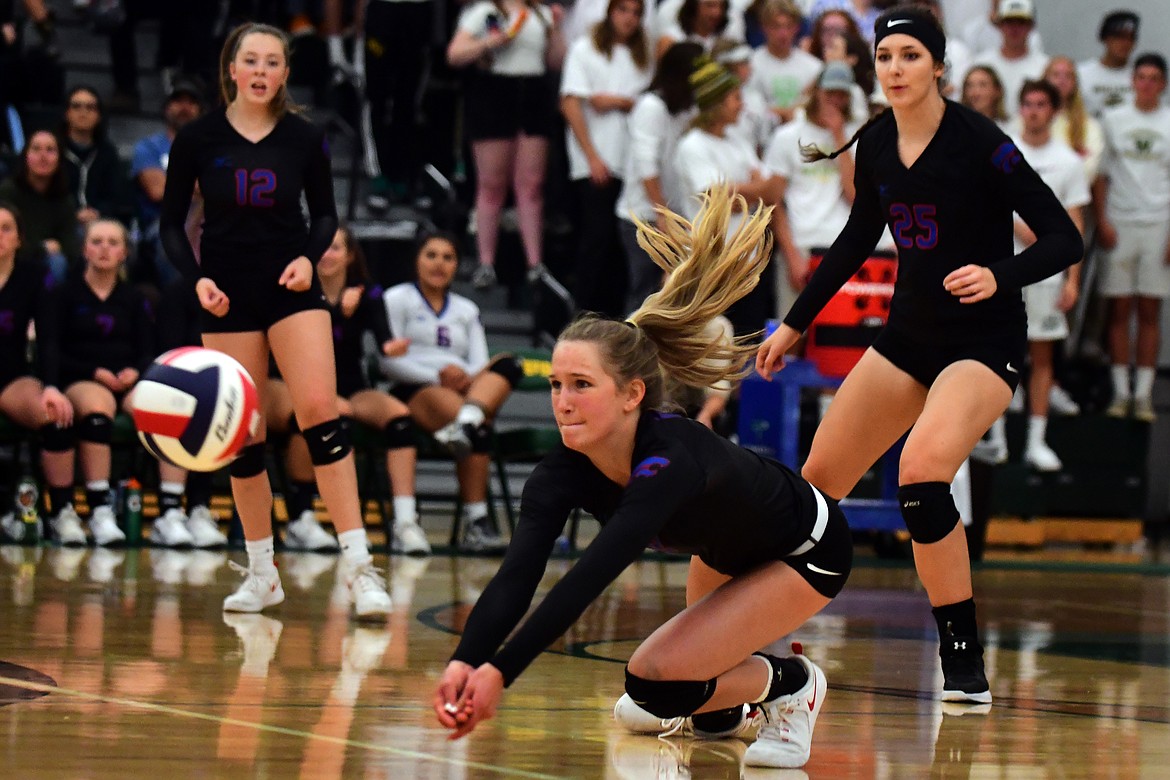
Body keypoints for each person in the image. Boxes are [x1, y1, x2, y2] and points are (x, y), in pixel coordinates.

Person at [434, 187, 849, 772]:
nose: (562, 401)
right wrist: (466, 659)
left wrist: (501, 673)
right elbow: (517, 576)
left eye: (581, 385)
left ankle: (790, 684)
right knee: (658, 707)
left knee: (650, 685)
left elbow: (589, 576)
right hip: (726, 553)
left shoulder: (668, 459)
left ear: (631, 395)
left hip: (807, 549)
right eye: (556, 385)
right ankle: (730, 711)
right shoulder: (559, 473)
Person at [756, 6, 1081, 705]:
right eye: (885, 57)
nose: (895, 69)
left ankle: (962, 655)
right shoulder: (874, 144)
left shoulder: (980, 141)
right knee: (812, 489)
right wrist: (793, 324)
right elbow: (852, 242)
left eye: (909, 55)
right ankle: (762, 636)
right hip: (907, 339)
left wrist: (1001, 273)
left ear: (939, 66)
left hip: (983, 343)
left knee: (922, 475)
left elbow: (1063, 237)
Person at [159, 22, 392, 618]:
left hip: (291, 290)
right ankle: (261, 572)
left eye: (273, 62)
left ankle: (360, 568)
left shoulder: (304, 137)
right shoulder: (197, 138)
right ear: (231, 70)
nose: (261, 71)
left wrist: (307, 259)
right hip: (227, 295)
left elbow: (325, 216)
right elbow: (169, 225)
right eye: (251, 60)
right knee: (245, 434)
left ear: (285, 74)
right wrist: (197, 280)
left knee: (320, 413)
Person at [267, 225, 429, 555]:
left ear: (350, 255)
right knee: (318, 414)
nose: (327, 255)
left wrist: (393, 347)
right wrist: (334, 311)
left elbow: (385, 341)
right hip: (293, 380)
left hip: (351, 384)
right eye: (322, 248)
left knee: (400, 419)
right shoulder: (293, 286)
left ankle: (405, 522)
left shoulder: (367, 291)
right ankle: (302, 517)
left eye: (336, 248)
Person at [380, 232, 523, 553]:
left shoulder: (466, 309)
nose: (439, 264)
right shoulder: (397, 298)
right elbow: (386, 361)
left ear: (457, 265)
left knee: (509, 365)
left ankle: (467, 419)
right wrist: (437, 376)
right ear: (416, 260)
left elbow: (479, 362)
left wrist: (462, 377)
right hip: (414, 387)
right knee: (479, 429)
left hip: (463, 388)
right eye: (431, 255)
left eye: (448, 257)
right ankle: (478, 518)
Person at [37, 219, 155, 548]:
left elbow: (149, 349)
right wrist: (94, 372)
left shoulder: (135, 298)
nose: (104, 248)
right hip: (82, 378)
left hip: (127, 381)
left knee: (163, 409)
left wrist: (136, 371)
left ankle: (174, 511)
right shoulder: (63, 294)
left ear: (124, 252)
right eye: (97, 241)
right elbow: (52, 349)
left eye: (113, 242)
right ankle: (97, 509)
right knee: (97, 408)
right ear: (85, 249)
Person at [446, 0, 567, 290]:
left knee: (531, 184)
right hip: (495, 93)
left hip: (533, 93)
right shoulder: (485, 12)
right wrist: (490, 42)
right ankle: (486, 262)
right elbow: (455, 55)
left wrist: (556, 30)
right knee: (492, 185)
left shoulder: (540, 13)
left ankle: (534, 263)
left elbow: (555, 61)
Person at [1008, 79, 1089, 472]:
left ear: (1054, 111)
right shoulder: (1001, 151)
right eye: (1028, 104)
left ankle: (1036, 443)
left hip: (1046, 275)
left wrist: (1072, 280)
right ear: (1019, 108)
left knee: (1041, 357)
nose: (1034, 111)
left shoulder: (1069, 162)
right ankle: (991, 437)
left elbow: (1075, 226)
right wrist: (1021, 228)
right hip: (1001, 271)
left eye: (1042, 104)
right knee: (994, 354)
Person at [560, 0, 653, 317]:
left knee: (619, 250)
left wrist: (612, 101)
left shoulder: (643, 57)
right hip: (596, 162)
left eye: (636, 13)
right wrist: (591, 157)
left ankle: (612, 325)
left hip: (628, 165)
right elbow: (571, 102)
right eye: (623, 10)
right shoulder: (585, 49)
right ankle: (580, 316)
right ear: (610, 12)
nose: (629, 19)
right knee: (594, 243)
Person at [1094, 53, 1170, 423]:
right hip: (1120, 223)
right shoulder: (1113, 119)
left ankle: (1143, 396)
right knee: (1119, 310)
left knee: (1150, 311)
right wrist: (1103, 220)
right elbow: (1101, 175)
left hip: (1159, 224)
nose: (1146, 84)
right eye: (1141, 77)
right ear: (1132, 81)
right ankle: (1120, 393)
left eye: (1154, 78)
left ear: (1164, 84)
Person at [0, 203, 74, 544]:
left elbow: (49, 337)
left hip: (12, 379)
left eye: (5, 229)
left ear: (19, 238)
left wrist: (53, 387)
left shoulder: (33, 275)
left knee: (54, 416)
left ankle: (61, 512)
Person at [616, 40, 703, 310]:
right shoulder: (651, 107)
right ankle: (631, 350)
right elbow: (647, 165)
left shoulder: (686, 109)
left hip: (672, 217)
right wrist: (662, 217)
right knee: (644, 294)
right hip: (644, 217)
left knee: (669, 298)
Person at [130, 79, 204, 289]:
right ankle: (182, 309)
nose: (184, 107)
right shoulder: (149, 147)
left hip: (207, 219)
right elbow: (156, 191)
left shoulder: (211, 147)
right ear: (166, 108)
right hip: (163, 222)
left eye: (191, 102)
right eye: (178, 101)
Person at [0, 129, 79, 284]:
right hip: (9, 260)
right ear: (25, 156)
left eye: (50, 150)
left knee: (58, 262)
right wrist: (42, 248)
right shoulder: (7, 192)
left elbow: (71, 251)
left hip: (43, 265)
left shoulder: (64, 200)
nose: (43, 156)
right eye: (36, 149)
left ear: (59, 159)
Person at [59, 86, 130, 229]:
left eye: (90, 107)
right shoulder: (54, 150)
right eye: (76, 106)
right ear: (66, 113)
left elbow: (116, 198)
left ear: (99, 116)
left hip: (101, 223)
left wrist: (97, 213)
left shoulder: (108, 153)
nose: (83, 112)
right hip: (61, 223)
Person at [967, 0, 1048, 117]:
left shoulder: (1044, 66)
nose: (1014, 28)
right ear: (999, 25)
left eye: (1021, 22)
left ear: (1031, 26)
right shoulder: (981, 64)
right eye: (1009, 22)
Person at [1043, 56, 1104, 184]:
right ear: (1044, 79)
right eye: (1056, 75)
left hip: (1072, 198)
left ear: (1075, 83)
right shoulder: (1025, 120)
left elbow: (1089, 169)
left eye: (1068, 76)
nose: (1062, 80)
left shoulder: (1089, 126)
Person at [1077, 10, 1139, 118]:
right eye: (1119, 37)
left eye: (1130, 38)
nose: (1125, 43)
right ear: (1104, 38)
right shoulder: (1081, 74)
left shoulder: (1143, 77)